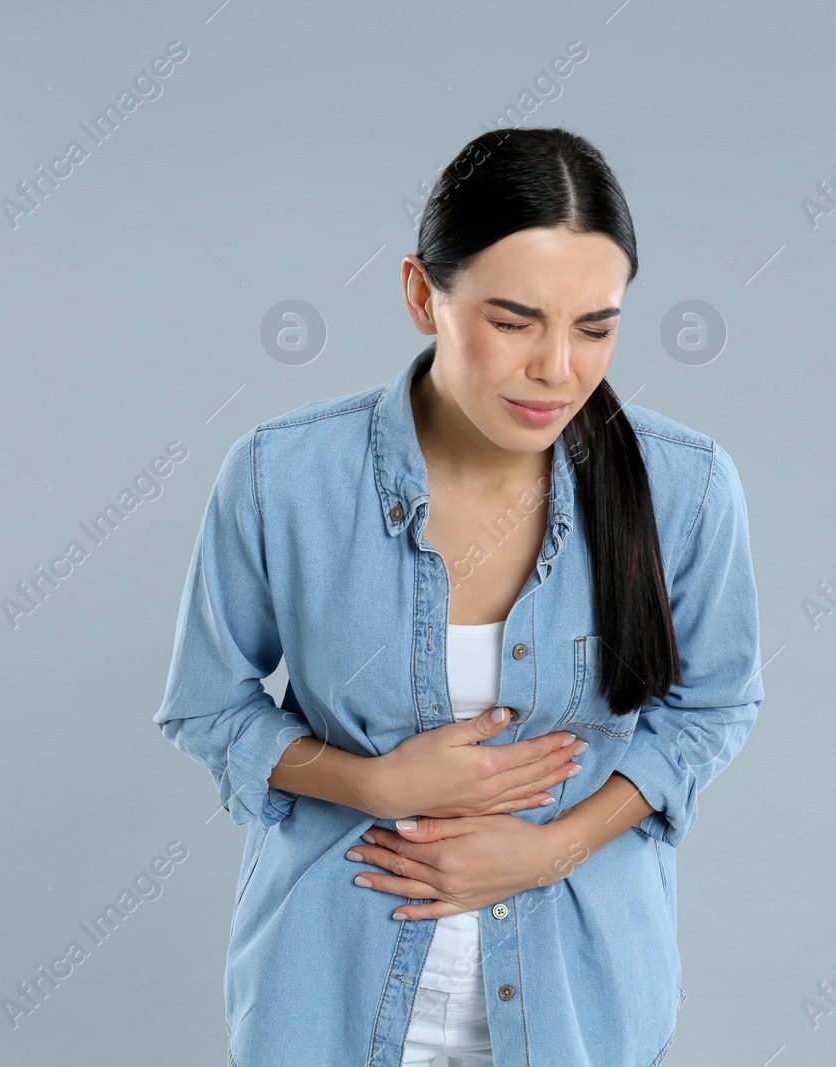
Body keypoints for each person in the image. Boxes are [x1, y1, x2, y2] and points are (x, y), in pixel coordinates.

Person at [154, 126, 765, 1067]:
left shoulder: (687, 488)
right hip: (327, 998)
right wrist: (371, 782)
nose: (557, 367)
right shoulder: (284, 478)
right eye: (515, 319)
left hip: (578, 1006)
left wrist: (551, 846)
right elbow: (207, 704)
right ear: (420, 294)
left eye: (595, 326)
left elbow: (712, 708)